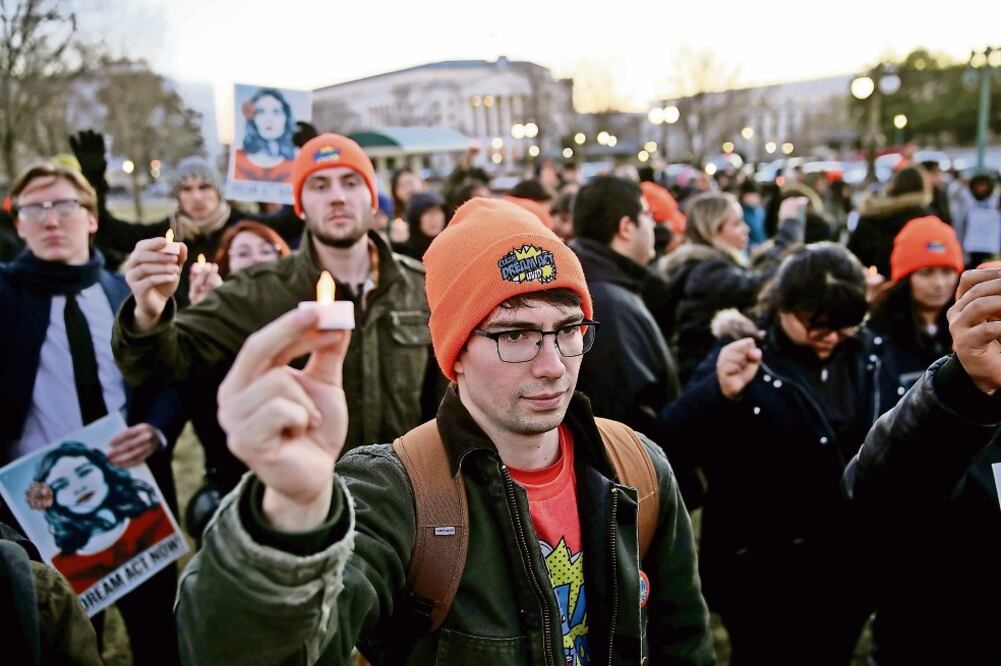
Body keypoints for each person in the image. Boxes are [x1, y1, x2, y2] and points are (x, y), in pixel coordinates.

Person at [175, 197, 714, 665]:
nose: (553, 364)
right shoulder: (394, 492)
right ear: (455, 353)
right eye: (516, 334)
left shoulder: (636, 466)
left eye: (568, 329)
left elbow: (684, 642)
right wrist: (289, 516)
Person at [112, 133, 435, 454]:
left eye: (350, 183)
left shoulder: (423, 286)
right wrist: (148, 313)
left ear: (372, 198)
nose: (337, 197)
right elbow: (162, 363)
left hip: (408, 494)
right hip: (307, 493)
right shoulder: (259, 290)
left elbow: (450, 404)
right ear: (300, 206)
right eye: (319, 186)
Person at [661, 243, 895, 664]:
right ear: (782, 305)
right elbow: (669, 448)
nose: (828, 338)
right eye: (814, 325)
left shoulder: (871, 356)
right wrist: (715, 392)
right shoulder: (744, 357)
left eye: (842, 326)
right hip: (761, 571)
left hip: (850, 565)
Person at [0, 163, 182, 664]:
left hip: (130, 490)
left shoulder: (123, 292)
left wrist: (156, 430)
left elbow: (169, 377)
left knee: (157, 634)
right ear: (18, 225)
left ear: (93, 218)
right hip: (39, 508)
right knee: (67, 643)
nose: (51, 219)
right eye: (34, 209)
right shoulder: (6, 295)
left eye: (65, 205)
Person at [843, 268, 1001, 664]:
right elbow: (873, 495)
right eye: (926, 271)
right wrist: (966, 386)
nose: (935, 282)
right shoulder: (971, 402)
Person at [68, 130, 303, 280]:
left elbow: (295, 222)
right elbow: (109, 232)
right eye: (187, 190)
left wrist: (302, 158)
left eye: (204, 187)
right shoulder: (168, 234)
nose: (197, 197)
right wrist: (93, 180)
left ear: (218, 192)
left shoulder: (244, 226)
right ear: (178, 197)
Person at [570, 175, 681, 439]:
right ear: (626, 227)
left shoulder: (605, 285)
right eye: (648, 215)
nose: (653, 226)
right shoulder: (608, 304)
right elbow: (633, 428)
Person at [657, 192, 805, 385]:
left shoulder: (705, 266)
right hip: (704, 376)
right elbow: (758, 286)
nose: (747, 229)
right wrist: (790, 227)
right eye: (736, 224)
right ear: (714, 231)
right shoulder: (708, 272)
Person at [28, 442, 173, 595]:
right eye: (61, 485)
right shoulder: (63, 569)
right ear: (52, 500)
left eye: (84, 472)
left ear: (105, 470)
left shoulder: (155, 520)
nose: (79, 487)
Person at [866, 216, 962, 398]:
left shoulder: (965, 331)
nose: (939, 284)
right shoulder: (878, 337)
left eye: (947, 272)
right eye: (926, 273)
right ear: (906, 279)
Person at [847, 165, 932, 278]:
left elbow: (851, 257)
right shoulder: (925, 219)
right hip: (909, 286)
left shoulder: (872, 214)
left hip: (874, 285)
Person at [233, 88, 297, 183]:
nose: (269, 119)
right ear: (252, 119)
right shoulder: (237, 160)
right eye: (261, 112)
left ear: (286, 117)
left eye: (276, 111)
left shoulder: (298, 159)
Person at [395, 190, 447, 261]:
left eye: (437, 212)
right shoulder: (402, 252)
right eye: (427, 213)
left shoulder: (454, 245)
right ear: (416, 219)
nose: (433, 218)